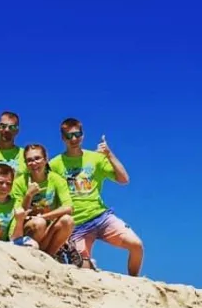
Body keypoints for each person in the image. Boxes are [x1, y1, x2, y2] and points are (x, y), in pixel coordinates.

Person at [49, 117, 144, 276]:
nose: (73, 139)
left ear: (83, 135)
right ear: (62, 138)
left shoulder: (95, 158)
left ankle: (135, 282)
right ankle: (90, 265)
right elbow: (52, 199)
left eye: (77, 134)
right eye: (68, 136)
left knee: (136, 245)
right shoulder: (54, 164)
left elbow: (124, 179)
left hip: (101, 217)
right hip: (76, 225)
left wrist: (109, 154)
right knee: (84, 272)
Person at [11, 143, 76, 259]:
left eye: (37, 158)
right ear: (26, 164)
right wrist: (28, 195)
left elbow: (69, 208)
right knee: (39, 224)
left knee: (68, 220)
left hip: (46, 230)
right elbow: (19, 214)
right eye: (29, 160)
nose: (34, 163)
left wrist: (44, 216)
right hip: (24, 231)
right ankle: (29, 255)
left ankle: (49, 257)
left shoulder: (56, 179)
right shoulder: (20, 182)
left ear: (46, 159)